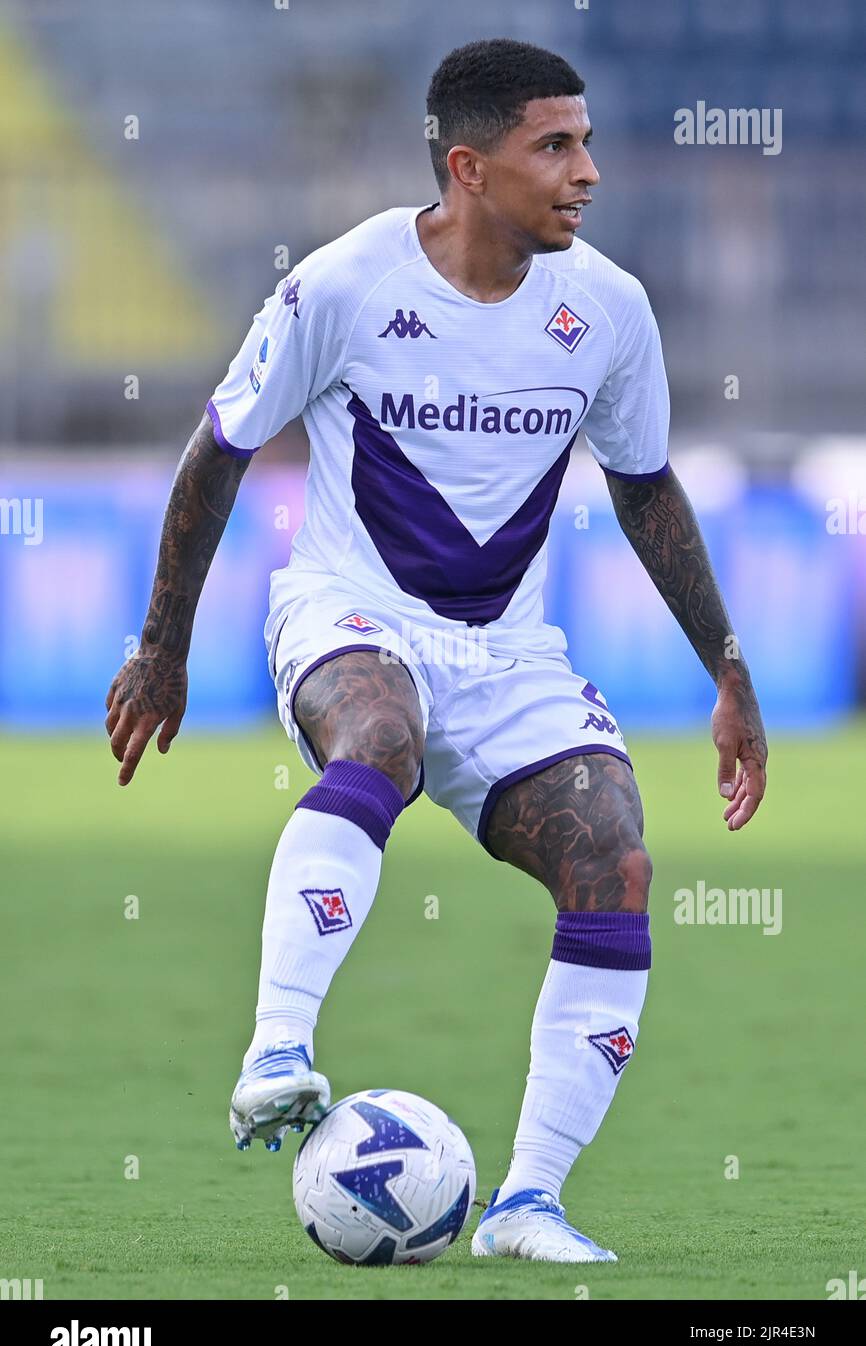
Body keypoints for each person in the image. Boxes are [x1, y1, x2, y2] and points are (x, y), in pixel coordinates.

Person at [105, 38, 767, 1264]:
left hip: (507, 648)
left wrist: (727, 666)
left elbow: (647, 491)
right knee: (380, 739)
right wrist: (162, 648)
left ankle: (524, 1203)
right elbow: (221, 448)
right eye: (553, 146)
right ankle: (276, 1050)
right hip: (350, 609)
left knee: (614, 856)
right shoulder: (343, 285)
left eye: (586, 142)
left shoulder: (606, 311)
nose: (588, 172)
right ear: (468, 166)